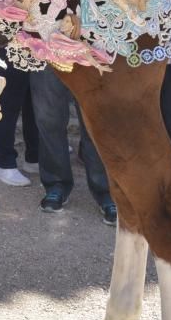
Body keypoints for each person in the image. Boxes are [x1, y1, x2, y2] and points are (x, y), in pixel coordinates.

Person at [30, 66, 118, 225]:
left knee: (95, 119)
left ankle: (107, 190)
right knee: (48, 118)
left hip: (91, 47)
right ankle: (56, 184)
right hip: (46, 47)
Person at [0, 60, 40, 187]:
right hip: (7, 45)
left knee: (34, 98)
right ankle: (3, 163)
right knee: (7, 99)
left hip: (34, 45)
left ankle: (34, 156)